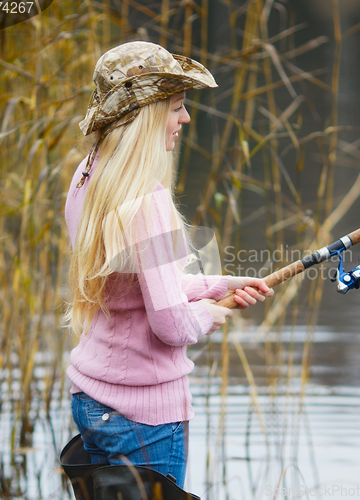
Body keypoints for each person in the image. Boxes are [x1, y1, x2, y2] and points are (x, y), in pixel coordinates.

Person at [64, 41, 273, 488]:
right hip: (144, 416)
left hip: (91, 399)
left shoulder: (87, 177)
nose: (186, 118)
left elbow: (138, 287)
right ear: (143, 114)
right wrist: (212, 314)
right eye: (176, 106)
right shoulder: (148, 201)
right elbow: (172, 326)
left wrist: (218, 284)